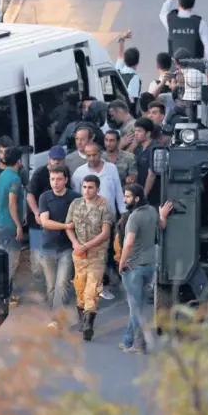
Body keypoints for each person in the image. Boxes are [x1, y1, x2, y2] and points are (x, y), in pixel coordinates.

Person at [118, 185, 173, 354]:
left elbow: (128, 243)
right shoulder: (151, 211)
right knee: (136, 305)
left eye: (127, 196)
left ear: (136, 198)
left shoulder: (134, 218)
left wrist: (121, 263)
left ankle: (139, 344)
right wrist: (163, 215)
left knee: (135, 307)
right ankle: (128, 341)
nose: (124, 199)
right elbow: (162, 225)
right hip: (150, 266)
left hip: (133, 266)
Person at [71, 142, 126, 300]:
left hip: (109, 218)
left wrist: (123, 212)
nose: (92, 158)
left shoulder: (111, 169)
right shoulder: (79, 173)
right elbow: (76, 196)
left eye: (94, 154)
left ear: (100, 153)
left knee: (108, 251)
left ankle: (104, 284)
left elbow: (118, 191)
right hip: (88, 221)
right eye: (88, 155)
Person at [65, 175, 112, 341]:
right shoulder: (76, 204)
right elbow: (69, 226)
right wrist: (76, 244)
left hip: (96, 255)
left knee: (91, 290)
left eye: (90, 187)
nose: (87, 190)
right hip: (79, 254)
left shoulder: (103, 207)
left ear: (97, 189)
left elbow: (105, 233)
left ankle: (88, 325)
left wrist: (86, 246)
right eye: (84, 187)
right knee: (80, 287)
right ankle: (82, 319)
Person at [38, 165, 79, 330]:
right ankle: (53, 315)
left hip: (66, 248)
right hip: (47, 247)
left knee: (62, 283)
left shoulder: (75, 198)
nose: (55, 182)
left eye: (59, 179)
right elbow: (45, 222)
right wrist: (66, 226)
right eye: (52, 179)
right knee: (51, 286)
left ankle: (56, 319)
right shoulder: (44, 197)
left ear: (66, 180)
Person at [26, 146, 68, 285]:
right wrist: (36, 212)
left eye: (59, 160)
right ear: (49, 159)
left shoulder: (66, 174)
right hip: (38, 222)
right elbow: (30, 195)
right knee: (37, 257)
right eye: (54, 159)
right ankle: (39, 284)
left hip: (56, 223)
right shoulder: (40, 173)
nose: (56, 162)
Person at [159, 0, 208, 82]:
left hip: (175, 70)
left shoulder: (170, 20)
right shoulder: (200, 23)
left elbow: (162, 13)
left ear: (178, 4)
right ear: (193, 5)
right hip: (196, 71)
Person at [0, 146, 25, 307]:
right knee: (12, 262)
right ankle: (3, 296)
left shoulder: (2, 175)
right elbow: (12, 202)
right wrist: (18, 225)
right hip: (9, 225)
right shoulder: (14, 178)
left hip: (0, 222)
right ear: (19, 161)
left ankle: (4, 293)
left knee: (3, 258)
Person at [132, 118, 160, 208]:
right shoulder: (138, 148)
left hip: (153, 197)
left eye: (139, 131)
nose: (136, 133)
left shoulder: (155, 148)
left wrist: (144, 196)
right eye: (135, 131)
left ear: (148, 133)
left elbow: (151, 175)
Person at [115, 30, 142, 107]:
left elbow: (120, 55)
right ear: (137, 62)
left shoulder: (119, 70)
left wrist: (122, 39)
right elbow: (132, 100)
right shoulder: (134, 78)